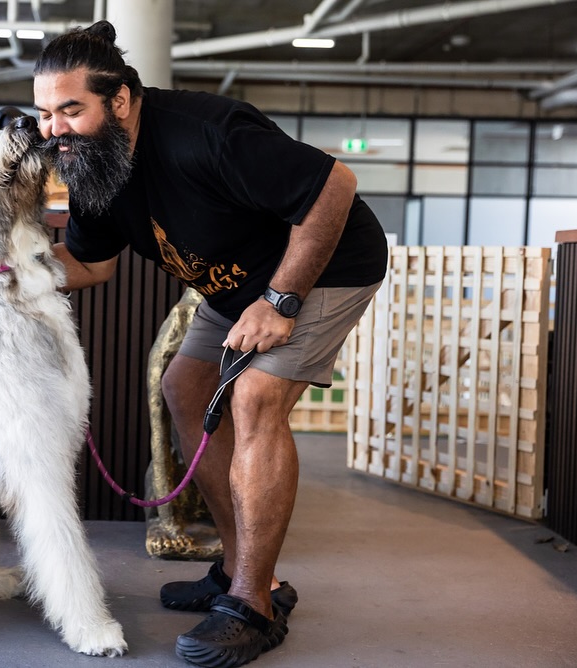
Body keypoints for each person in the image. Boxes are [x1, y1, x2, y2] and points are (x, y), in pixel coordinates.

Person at [33, 20, 388, 668]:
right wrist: (2, 274)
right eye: (44, 113)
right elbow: (90, 263)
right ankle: (237, 571)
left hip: (325, 265)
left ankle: (254, 604)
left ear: (119, 100)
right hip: (236, 287)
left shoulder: (204, 132)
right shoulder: (94, 166)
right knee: (185, 387)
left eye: (70, 110)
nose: (54, 129)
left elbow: (335, 186)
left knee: (254, 399)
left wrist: (279, 301)